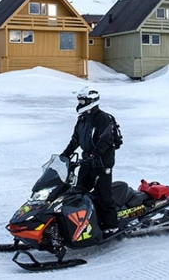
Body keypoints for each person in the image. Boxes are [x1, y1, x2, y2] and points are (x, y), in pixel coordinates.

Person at [60, 87, 119, 236]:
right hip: (88, 160)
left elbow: (105, 140)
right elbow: (75, 139)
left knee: (102, 194)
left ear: (91, 102)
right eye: (79, 100)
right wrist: (65, 155)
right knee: (78, 190)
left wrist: (95, 155)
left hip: (102, 162)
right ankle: (83, 223)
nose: (80, 103)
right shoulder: (82, 119)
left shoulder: (103, 118)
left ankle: (112, 226)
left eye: (82, 101)